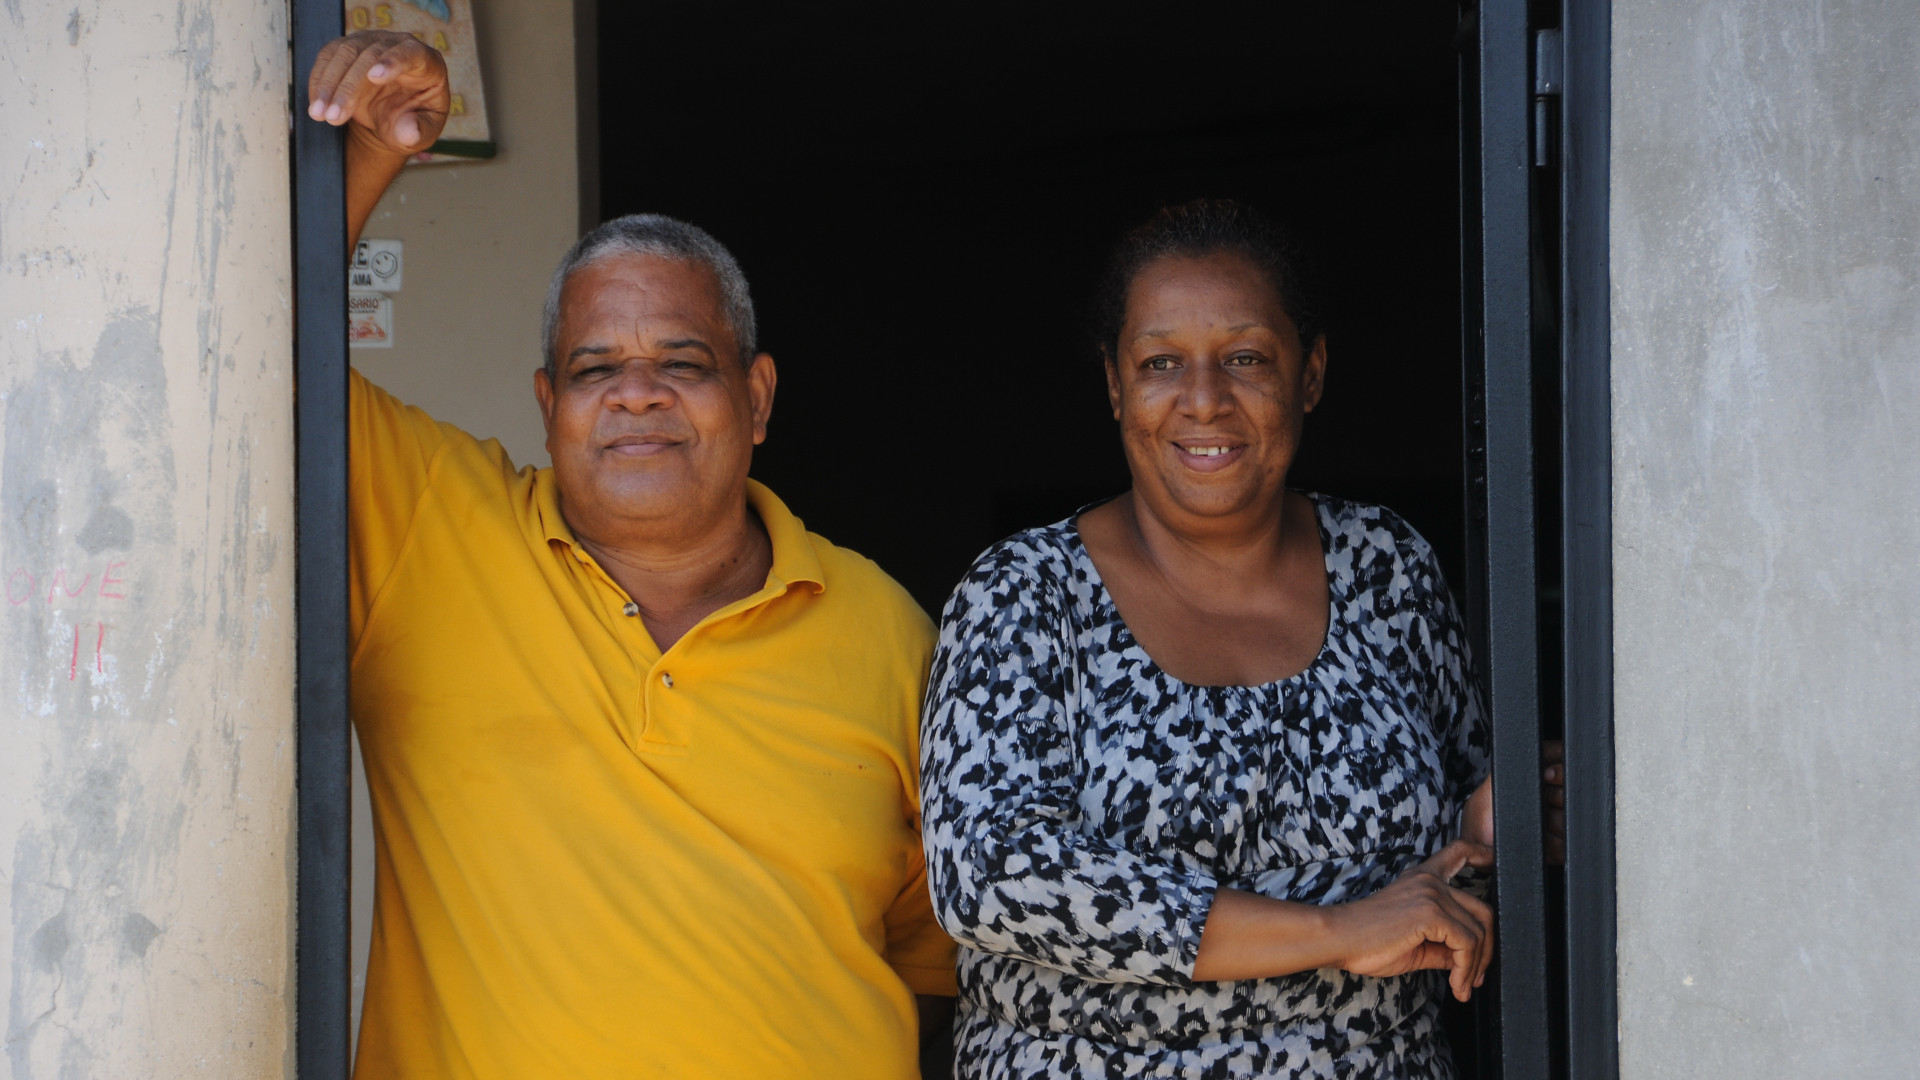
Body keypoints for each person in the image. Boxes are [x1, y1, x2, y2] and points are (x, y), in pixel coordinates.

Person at [305, 32, 956, 1077]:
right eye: (594, 367)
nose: (637, 394)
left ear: (757, 399)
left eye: (682, 364)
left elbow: (937, 958)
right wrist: (371, 154)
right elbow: (250, 350)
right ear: (547, 405)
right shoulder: (430, 528)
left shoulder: (886, 630)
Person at [921, 200, 1521, 1077]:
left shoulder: (1386, 566)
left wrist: (1495, 825)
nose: (1203, 399)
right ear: (1115, 385)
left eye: (1246, 358)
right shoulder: (1026, 594)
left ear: (1310, 374)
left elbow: (1454, 871)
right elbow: (992, 876)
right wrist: (1335, 929)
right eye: (1160, 363)